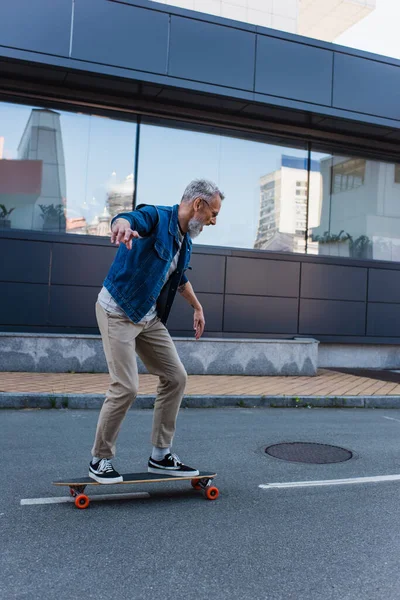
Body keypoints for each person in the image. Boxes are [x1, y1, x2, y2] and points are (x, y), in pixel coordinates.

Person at [89, 179, 224, 483]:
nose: (214, 221)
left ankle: (161, 456)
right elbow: (133, 218)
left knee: (176, 377)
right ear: (198, 205)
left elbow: (177, 277)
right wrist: (121, 223)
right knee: (126, 386)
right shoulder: (158, 216)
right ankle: (100, 459)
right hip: (117, 310)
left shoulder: (185, 238)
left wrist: (197, 307)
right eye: (213, 213)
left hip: (148, 318)